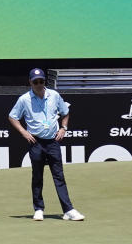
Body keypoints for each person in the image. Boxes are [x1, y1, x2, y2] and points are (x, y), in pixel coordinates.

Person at [8, 68, 85, 222]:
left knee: (59, 176)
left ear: (44, 82)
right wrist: (24, 132)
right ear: (30, 82)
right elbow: (12, 117)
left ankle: (68, 210)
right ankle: (38, 209)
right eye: (35, 82)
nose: (39, 84)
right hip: (36, 142)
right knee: (37, 176)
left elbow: (65, 112)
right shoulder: (24, 99)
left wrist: (64, 128)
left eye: (41, 81)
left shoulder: (54, 95)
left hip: (53, 142)